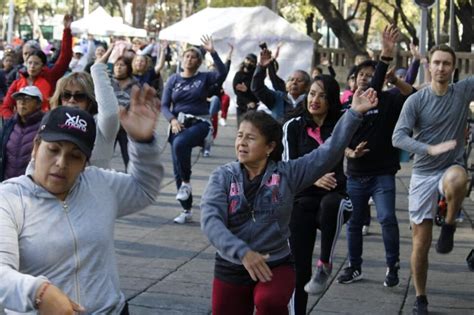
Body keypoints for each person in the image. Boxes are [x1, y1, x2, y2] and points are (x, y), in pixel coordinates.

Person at [200, 86, 378, 315]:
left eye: (251, 138)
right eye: (239, 136)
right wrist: (242, 252)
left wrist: (354, 114)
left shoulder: (287, 174)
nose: (242, 143)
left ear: (270, 147)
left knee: (270, 302)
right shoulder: (223, 176)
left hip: (276, 263)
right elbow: (210, 220)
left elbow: (328, 152)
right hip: (231, 264)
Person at [0, 85, 163, 314]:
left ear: (86, 162)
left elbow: (144, 189)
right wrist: (37, 292)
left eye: (75, 156)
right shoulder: (9, 198)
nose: (61, 163)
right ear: (36, 147)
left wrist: (142, 143)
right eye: (53, 150)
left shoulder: (99, 183)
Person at [392, 44, 474, 315]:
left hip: (451, 166)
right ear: (429, 66)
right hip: (424, 173)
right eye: (436, 63)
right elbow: (398, 137)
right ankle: (420, 297)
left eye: (446, 64)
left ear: (453, 68)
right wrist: (427, 148)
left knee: (458, 179)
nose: (441, 68)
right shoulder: (416, 100)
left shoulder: (462, 92)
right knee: (421, 243)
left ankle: (449, 224)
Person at [337, 25, 415, 288]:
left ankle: (392, 265)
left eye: (371, 76)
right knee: (354, 223)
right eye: (361, 75)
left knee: (386, 218)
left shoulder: (389, 101)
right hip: (356, 175)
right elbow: (339, 143)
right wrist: (351, 152)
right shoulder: (347, 107)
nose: (365, 78)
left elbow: (412, 96)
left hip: (383, 173)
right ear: (353, 79)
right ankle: (354, 266)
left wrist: (389, 63)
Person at [282, 75, 353, 314]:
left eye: (322, 95)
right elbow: (288, 168)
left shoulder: (340, 125)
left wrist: (384, 59)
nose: (315, 99)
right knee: (298, 267)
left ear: (332, 100)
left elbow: (366, 102)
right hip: (301, 199)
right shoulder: (293, 126)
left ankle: (325, 264)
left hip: (334, 199)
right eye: (312, 93)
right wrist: (313, 177)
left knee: (335, 203)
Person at [161, 35, 226, 224]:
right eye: (187, 56)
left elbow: (222, 73)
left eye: (194, 57)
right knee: (177, 166)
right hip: (178, 123)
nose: (190, 59)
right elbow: (164, 105)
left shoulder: (204, 78)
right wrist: (172, 120)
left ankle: (187, 183)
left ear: (199, 62)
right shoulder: (173, 80)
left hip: (200, 123)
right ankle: (186, 210)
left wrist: (212, 52)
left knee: (180, 144)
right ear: (182, 59)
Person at [49, 44, 119, 169]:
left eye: (79, 96)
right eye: (66, 95)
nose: (71, 100)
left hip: (95, 186)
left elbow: (110, 113)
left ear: (90, 101)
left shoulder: (101, 126)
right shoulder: (52, 122)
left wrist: (97, 70)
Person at [0, 15, 73, 119]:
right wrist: (13, 122)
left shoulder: (50, 77)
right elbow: (5, 107)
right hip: (20, 128)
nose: (32, 66)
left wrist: (66, 30)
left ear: (43, 65)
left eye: (36, 63)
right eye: (29, 63)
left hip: (42, 127)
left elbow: (65, 57)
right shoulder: (17, 82)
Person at [251, 48, 311, 122]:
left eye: (299, 80)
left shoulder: (311, 102)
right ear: (286, 84)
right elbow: (257, 88)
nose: (294, 82)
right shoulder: (276, 98)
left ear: (307, 86)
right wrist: (261, 68)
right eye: (291, 80)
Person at [0, 86, 43, 181]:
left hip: (31, 187)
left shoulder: (45, 126)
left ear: (38, 104)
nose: (22, 103)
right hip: (7, 184)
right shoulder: (9, 125)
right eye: (19, 99)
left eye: (27, 99)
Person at [112, 55, 141, 170]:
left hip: (127, 129)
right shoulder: (108, 82)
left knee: (129, 160)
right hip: (110, 126)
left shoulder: (136, 85)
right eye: (116, 65)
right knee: (103, 157)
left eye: (122, 65)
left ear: (128, 68)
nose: (118, 68)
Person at [233, 53, 259, 126]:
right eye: (248, 59)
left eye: (252, 61)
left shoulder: (255, 76)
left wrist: (247, 90)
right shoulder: (238, 75)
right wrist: (247, 102)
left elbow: (257, 90)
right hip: (241, 107)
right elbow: (237, 91)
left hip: (253, 107)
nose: (249, 62)